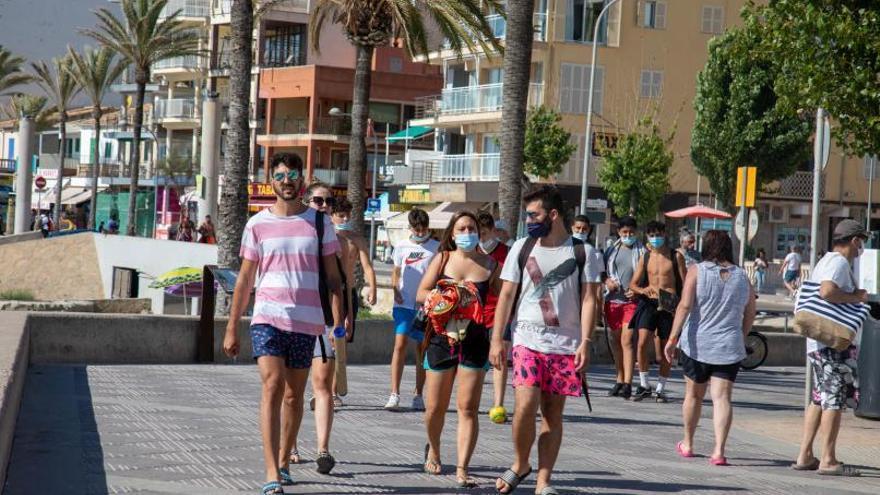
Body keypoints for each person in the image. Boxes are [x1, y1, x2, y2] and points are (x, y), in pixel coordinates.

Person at [222, 153, 345, 495]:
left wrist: (338, 323)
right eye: (280, 175)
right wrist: (232, 326)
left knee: (294, 397)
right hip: (268, 318)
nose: (287, 180)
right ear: (271, 181)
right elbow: (245, 280)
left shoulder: (320, 223)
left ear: (301, 180)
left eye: (292, 174)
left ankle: (285, 459)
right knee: (272, 386)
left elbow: (334, 280)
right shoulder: (256, 224)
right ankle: (271, 470)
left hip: (307, 322)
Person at [490, 186, 602, 495]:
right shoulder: (522, 248)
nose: (528, 220)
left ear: (552, 215)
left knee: (553, 414)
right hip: (526, 340)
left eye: (533, 214)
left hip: (565, 346)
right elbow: (507, 295)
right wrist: (497, 339)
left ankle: (543, 481)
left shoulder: (583, 253)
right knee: (525, 407)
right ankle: (520, 462)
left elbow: (590, 299)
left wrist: (585, 341)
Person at [417, 211, 501, 488]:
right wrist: (445, 296)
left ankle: (463, 467)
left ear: (479, 232)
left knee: (468, 408)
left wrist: (500, 335)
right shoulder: (442, 259)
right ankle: (434, 449)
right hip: (442, 338)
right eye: (461, 228)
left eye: (472, 228)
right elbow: (420, 293)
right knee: (435, 408)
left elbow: (505, 297)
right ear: (452, 234)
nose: (467, 232)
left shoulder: (490, 264)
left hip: (475, 340)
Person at [663, 230, 756, 465]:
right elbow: (750, 312)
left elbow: (684, 306)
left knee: (693, 396)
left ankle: (688, 443)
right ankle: (719, 451)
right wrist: (739, 336)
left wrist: (673, 338)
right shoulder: (742, 276)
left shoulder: (697, 271)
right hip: (729, 346)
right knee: (722, 398)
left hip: (698, 344)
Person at [280, 182, 354, 475]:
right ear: (306, 201)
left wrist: (344, 319)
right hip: (296, 320)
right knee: (292, 391)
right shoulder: (293, 233)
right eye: (318, 201)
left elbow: (343, 284)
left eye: (328, 202)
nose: (324, 206)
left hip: (325, 320)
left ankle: (323, 449)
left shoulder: (341, 242)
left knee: (323, 386)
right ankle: (291, 445)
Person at [792, 219, 868, 477]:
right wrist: (856, 297)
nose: (862, 248)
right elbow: (826, 292)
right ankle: (828, 458)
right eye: (862, 242)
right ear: (854, 240)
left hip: (818, 343)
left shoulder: (826, 260)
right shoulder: (838, 263)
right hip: (830, 344)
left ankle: (805, 454)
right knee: (833, 399)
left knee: (819, 397)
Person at [626, 221, 687, 402]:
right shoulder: (645, 257)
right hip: (649, 303)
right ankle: (644, 384)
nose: (655, 238)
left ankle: (661, 388)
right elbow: (633, 284)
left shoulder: (676, 256)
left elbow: (685, 284)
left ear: (664, 234)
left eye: (658, 234)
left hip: (669, 305)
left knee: (665, 347)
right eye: (652, 235)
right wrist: (643, 290)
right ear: (647, 236)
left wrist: (682, 308)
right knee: (642, 342)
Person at [386, 208, 439, 411]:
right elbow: (396, 271)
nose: (420, 232)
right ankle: (394, 393)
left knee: (421, 349)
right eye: (416, 229)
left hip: (424, 306)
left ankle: (418, 394)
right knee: (399, 345)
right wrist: (394, 289)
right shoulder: (400, 246)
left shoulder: (436, 247)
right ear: (410, 227)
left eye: (423, 228)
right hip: (403, 304)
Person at [603, 216, 645, 397]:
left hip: (632, 302)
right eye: (625, 232)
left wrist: (638, 291)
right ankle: (619, 378)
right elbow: (601, 272)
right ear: (618, 232)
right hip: (612, 301)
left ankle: (628, 382)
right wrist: (607, 282)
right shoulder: (611, 250)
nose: (628, 235)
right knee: (615, 341)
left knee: (627, 340)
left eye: (631, 232)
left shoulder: (643, 251)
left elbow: (649, 276)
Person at [476, 212, 512, 421]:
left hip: (501, 312)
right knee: (478, 359)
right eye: (477, 233)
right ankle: (475, 399)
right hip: (476, 312)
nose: (481, 237)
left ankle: (498, 403)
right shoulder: (470, 252)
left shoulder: (507, 253)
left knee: (500, 357)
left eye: (484, 233)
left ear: (493, 232)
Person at [331, 198, 379, 341]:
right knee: (330, 336)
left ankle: (341, 363)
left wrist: (373, 289)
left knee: (346, 335)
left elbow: (367, 266)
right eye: (341, 215)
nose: (345, 219)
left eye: (348, 215)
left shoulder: (357, 239)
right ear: (331, 215)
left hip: (349, 292)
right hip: (330, 292)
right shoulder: (326, 238)